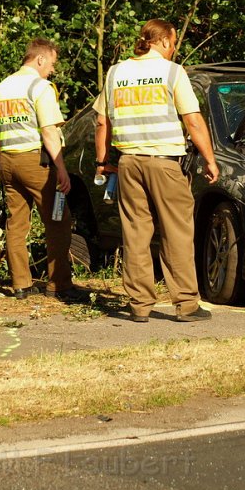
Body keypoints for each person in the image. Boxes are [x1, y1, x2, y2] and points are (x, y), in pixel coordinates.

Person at [93, 19, 219, 322]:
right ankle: (186, 304)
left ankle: (138, 305)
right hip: (164, 162)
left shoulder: (116, 72)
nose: (174, 49)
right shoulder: (171, 72)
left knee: (136, 233)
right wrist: (209, 159)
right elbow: (193, 120)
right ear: (162, 41)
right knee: (176, 232)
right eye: (173, 43)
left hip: (129, 163)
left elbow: (100, 121)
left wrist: (102, 162)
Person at [0, 38, 74, 299]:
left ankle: (20, 284)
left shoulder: (1, 88)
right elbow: (49, 131)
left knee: (17, 223)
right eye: (51, 63)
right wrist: (61, 168)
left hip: (7, 160)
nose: (52, 69)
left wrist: (0, 164)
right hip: (35, 161)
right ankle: (58, 285)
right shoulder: (40, 87)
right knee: (59, 220)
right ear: (40, 59)